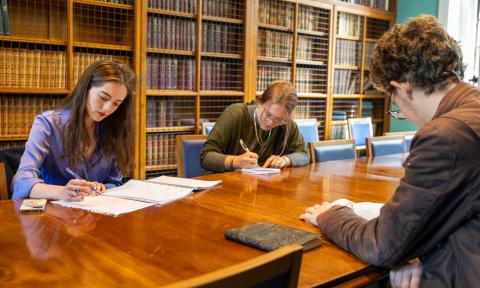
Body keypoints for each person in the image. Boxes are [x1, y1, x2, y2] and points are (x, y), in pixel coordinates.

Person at [300, 15, 480, 287]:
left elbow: (381, 246)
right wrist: (422, 252)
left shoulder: (445, 136)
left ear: (401, 88)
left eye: (394, 103)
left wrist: (330, 215)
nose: (402, 114)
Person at [12, 59, 136, 201]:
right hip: (53, 216)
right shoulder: (47, 124)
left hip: (96, 215)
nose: (107, 108)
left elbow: (114, 182)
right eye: (103, 97)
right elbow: (21, 182)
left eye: (116, 104)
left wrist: (103, 187)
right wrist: (61, 192)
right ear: (86, 89)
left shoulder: (112, 129)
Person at [200, 80, 310, 173]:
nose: (270, 122)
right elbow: (206, 157)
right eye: (267, 114)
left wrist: (285, 160)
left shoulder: (288, 125)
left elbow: (304, 154)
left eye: (279, 119)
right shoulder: (235, 114)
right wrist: (234, 161)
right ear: (260, 102)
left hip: (257, 187)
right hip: (222, 185)